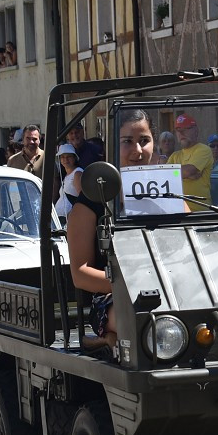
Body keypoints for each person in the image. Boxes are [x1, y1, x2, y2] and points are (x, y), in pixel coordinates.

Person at [68, 108, 155, 354]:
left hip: (174, 288)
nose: (138, 151)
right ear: (111, 148)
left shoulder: (168, 190)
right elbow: (80, 274)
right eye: (127, 141)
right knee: (143, 320)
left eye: (144, 141)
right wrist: (133, 286)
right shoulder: (91, 202)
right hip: (113, 298)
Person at [167, 114, 213, 201]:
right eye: (178, 130)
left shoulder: (203, 149)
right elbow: (164, 175)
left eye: (186, 129)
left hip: (198, 210)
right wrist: (181, 174)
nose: (181, 133)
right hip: (178, 209)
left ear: (196, 130)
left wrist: (176, 173)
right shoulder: (175, 155)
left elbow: (188, 171)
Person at [55, 143, 83, 219]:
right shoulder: (66, 176)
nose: (65, 159)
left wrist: (71, 214)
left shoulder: (77, 173)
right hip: (61, 219)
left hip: (71, 219)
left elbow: (82, 199)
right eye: (63, 157)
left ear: (74, 158)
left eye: (69, 157)